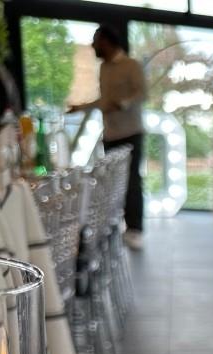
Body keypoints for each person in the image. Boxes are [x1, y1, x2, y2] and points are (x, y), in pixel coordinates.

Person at [68, 24, 146, 250]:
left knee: (132, 181)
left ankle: (135, 229)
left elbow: (142, 93)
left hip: (131, 133)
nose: (93, 46)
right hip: (110, 134)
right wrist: (80, 107)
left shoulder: (131, 65)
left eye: (96, 41)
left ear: (107, 41)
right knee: (111, 183)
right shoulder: (103, 69)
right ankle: (115, 225)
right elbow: (103, 101)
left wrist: (121, 104)